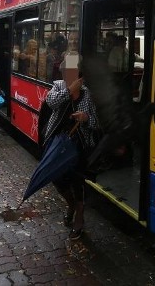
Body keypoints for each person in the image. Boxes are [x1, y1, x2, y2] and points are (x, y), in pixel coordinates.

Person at [42, 69, 99, 240]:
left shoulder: (87, 94)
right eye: (67, 75)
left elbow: (96, 123)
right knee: (56, 178)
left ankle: (79, 217)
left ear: (81, 78)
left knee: (77, 180)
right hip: (57, 144)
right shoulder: (58, 87)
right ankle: (71, 204)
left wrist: (86, 117)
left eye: (75, 76)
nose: (71, 78)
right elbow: (50, 103)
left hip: (79, 145)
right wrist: (69, 90)